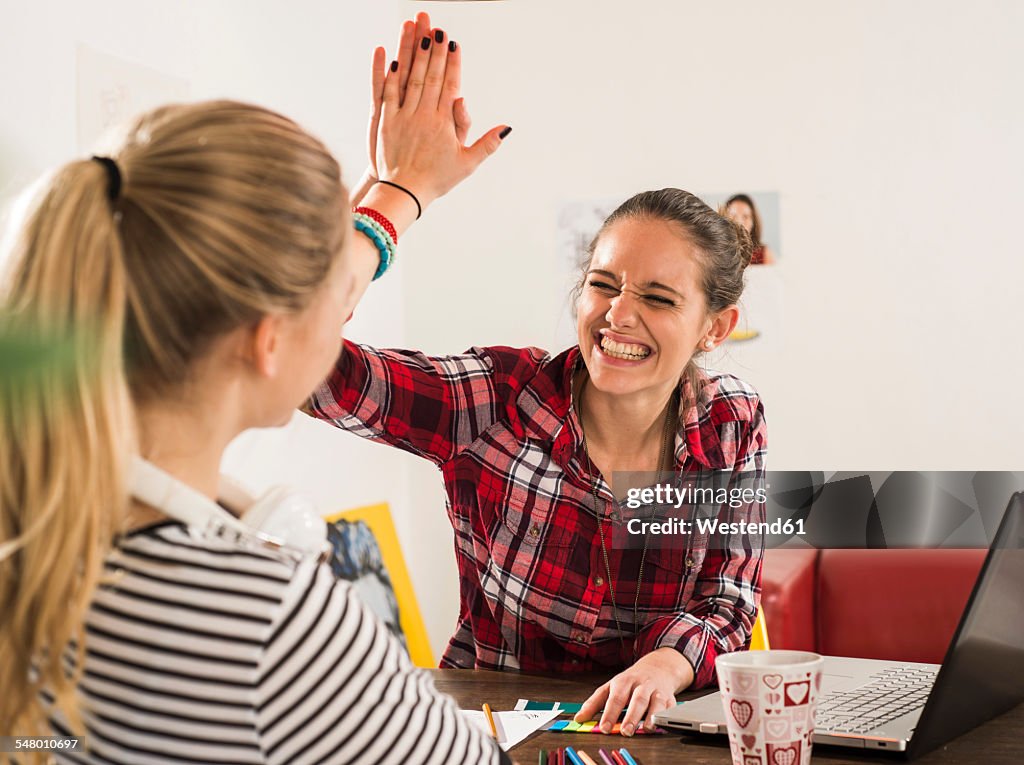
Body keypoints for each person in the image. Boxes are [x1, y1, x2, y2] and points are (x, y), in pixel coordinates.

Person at [0, 15, 513, 765]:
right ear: (268, 339)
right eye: (333, 278)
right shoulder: (271, 622)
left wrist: (402, 188)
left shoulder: (34, 539)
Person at [310, 180, 768, 735]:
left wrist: (663, 666)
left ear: (714, 328)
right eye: (603, 285)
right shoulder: (497, 401)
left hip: (651, 737)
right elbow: (308, 364)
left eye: (658, 297)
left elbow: (728, 598)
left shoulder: (732, 422)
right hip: (489, 732)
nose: (618, 314)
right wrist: (395, 197)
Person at [724, 193, 776, 264]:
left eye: (745, 217)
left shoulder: (765, 254)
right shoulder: (717, 252)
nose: (739, 222)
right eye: (733, 216)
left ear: (753, 222)